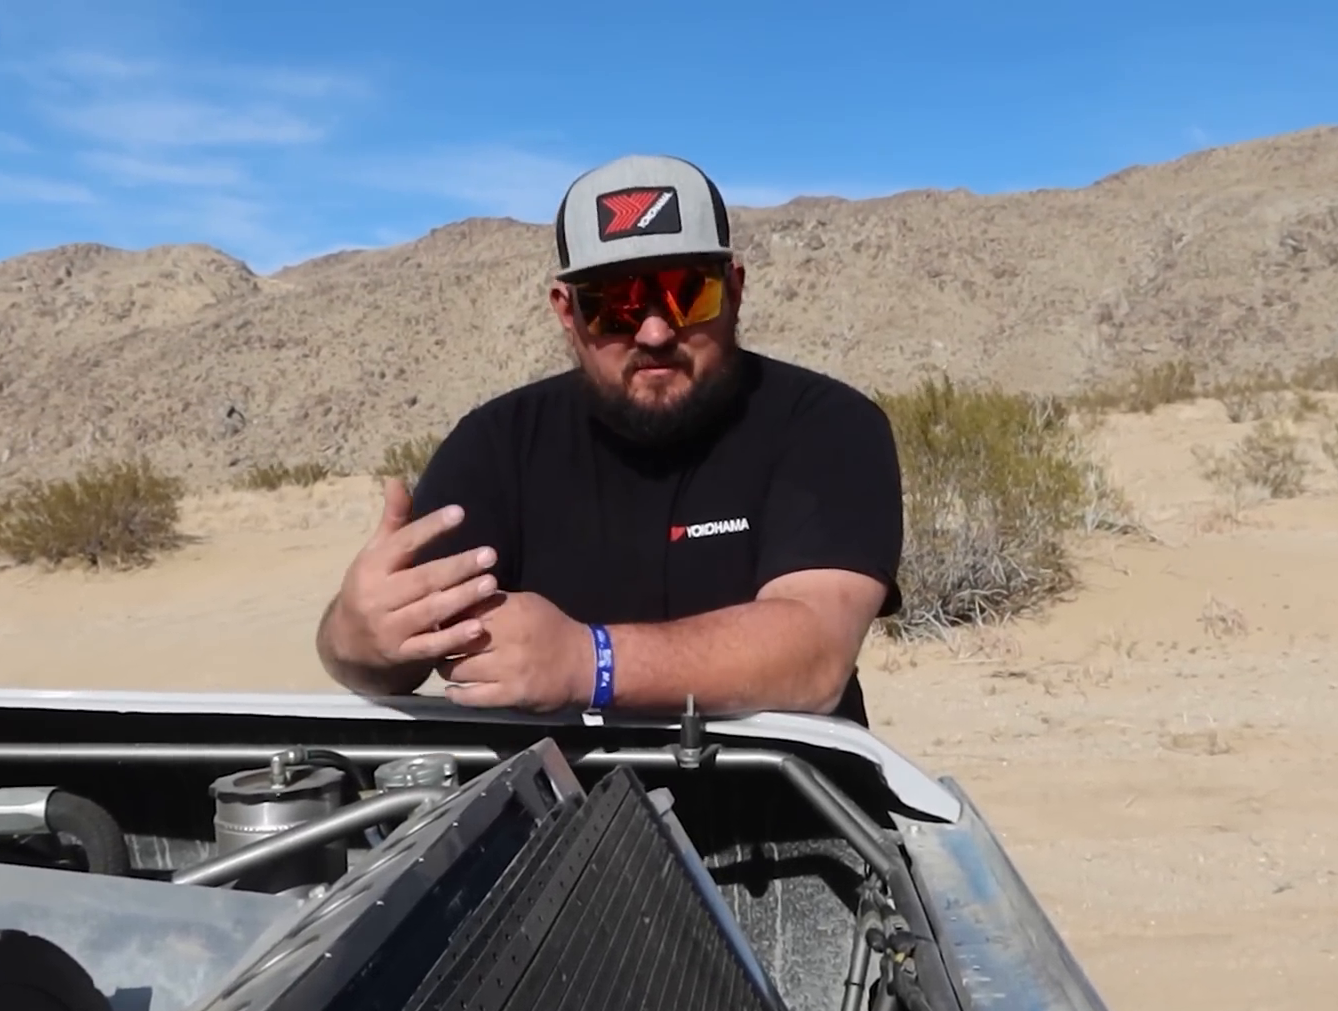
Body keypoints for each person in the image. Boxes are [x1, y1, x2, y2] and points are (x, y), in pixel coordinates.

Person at [315, 154, 903, 726]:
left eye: (686, 293)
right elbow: (386, 663)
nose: (653, 330)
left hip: (797, 805)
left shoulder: (828, 425)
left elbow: (814, 656)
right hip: (557, 813)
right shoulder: (497, 444)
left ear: (735, 288)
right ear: (566, 313)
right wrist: (357, 636)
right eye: (613, 305)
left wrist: (585, 661)